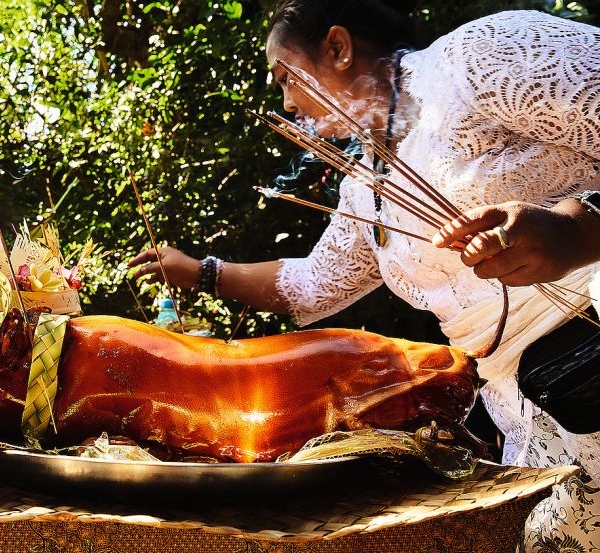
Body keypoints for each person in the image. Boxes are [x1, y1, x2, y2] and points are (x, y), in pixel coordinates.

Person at [129, 2, 600, 550]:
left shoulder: (478, 56)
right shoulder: (364, 184)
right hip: (537, 406)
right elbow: (312, 285)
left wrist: (580, 228)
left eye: (285, 76)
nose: (285, 103)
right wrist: (201, 271)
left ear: (337, 47)